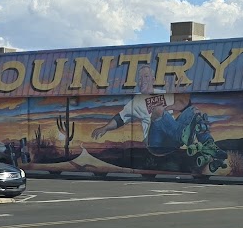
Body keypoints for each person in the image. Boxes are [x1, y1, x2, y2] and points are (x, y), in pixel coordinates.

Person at [91, 64, 225, 160]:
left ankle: (209, 145)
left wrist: (175, 103)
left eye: (146, 76)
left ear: (153, 79)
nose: (142, 80)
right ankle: (182, 135)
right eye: (140, 78)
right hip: (156, 144)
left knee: (194, 110)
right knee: (158, 110)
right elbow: (120, 118)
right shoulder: (136, 101)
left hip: (172, 139)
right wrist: (105, 128)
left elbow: (184, 105)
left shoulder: (166, 93)